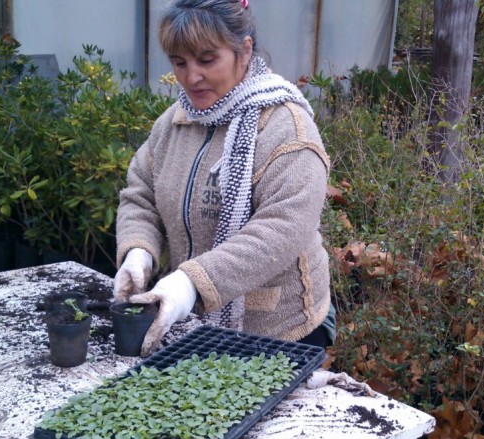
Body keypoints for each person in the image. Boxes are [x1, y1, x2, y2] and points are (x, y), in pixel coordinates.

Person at [113, 0, 334, 357]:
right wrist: (139, 251)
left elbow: (283, 229)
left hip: (279, 332)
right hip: (196, 324)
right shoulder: (174, 123)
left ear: (243, 51)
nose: (191, 76)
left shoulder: (286, 129)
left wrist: (190, 283)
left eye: (206, 59)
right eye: (179, 62)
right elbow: (141, 194)